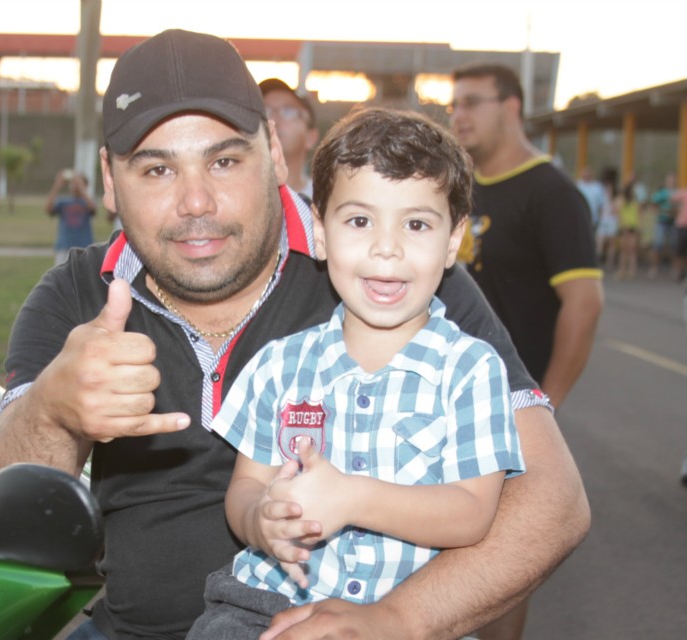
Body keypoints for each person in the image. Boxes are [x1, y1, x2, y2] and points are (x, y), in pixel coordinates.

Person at [0, 30, 589, 640]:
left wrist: (401, 620)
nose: (196, 201)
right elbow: (0, 499)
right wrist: (54, 412)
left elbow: (554, 502)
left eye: (224, 160)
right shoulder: (76, 295)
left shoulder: (385, 269)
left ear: (274, 148)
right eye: (157, 169)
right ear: (109, 178)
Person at [187, 106, 525, 640]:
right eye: (359, 221)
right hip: (267, 600)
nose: (385, 247)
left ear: (454, 239)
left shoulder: (471, 370)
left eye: (416, 224)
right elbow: (246, 488)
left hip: (404, 611)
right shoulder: (281, 364)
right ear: (320, 231)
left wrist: (353, 497)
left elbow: (472, 512)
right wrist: (262, 521)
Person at [449, 63, 601, 638]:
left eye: (472, 102)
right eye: (454, 103)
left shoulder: (551, 193)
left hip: (509, 408)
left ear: (511, 106)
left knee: (499, 561)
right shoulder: (462, 185)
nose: (459, 114)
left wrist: (545, 403)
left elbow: (584, 305)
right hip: (442, 397)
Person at [259, 78, 319, 201]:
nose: (274, 119)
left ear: (311, 137)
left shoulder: (324, 201)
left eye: (288, 112)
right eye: (266, 111)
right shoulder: (239, 195)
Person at [45, 168, 96, 265]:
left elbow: (93, 209)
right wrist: (57, 185)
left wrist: (82, 189)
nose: (75, 186)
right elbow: (48, 209)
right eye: (72, 183)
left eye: (78, 183)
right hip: (64, 246)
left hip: (84, 247)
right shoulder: (63, 202)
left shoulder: (87, 202)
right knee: (61, 277)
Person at [648, 172, 677, 279]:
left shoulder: (677, 192)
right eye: (670, 179)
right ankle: (654, 268)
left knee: (674, 246)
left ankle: (674, 269)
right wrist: (662, 211)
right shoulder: (662, 193)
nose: (672, 181)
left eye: (673, 179)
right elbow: (654, 205)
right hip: (661, 222)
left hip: (673, 222)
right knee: (657, 245)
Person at [616, 179, 642, 280]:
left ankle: (631, 271)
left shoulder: (635, 202)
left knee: (631, 249)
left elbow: (638, 215)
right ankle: (622, 270)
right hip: (623, 227)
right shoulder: (621, 200)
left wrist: (638, 227)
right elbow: (619, 213)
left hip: (632, 227)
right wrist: (623, 225)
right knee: (623, 250)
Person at [575, 166, 606, 231]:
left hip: (593, 219)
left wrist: (601, 219)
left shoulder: (597, 187)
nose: (587, 176)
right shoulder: (578, 185)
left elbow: (601, 205)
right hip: (580, 218)